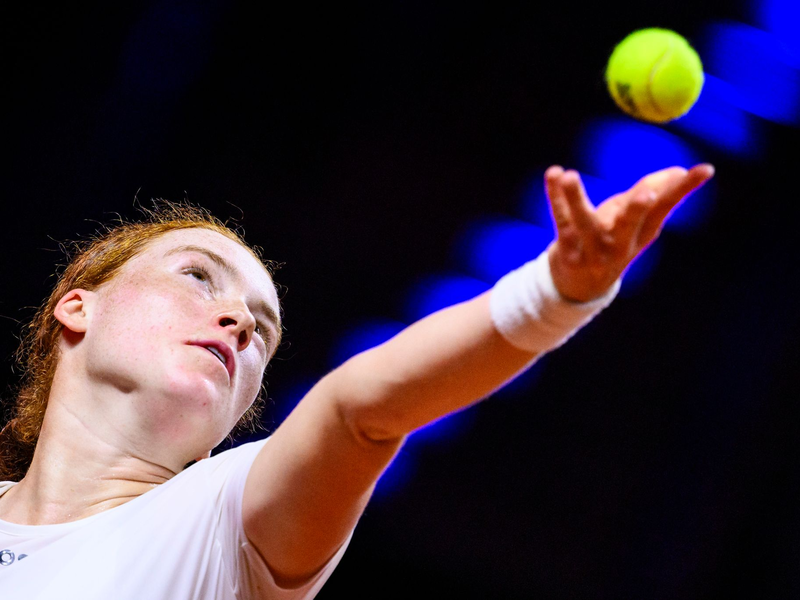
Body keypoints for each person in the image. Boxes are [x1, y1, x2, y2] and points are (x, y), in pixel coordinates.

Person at [0, 163, 714, 598]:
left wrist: (557, 293)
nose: (238, 325)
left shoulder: (221, 520)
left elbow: (358, 411)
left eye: (263, 331)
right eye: (196, 276)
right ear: (77, 305)